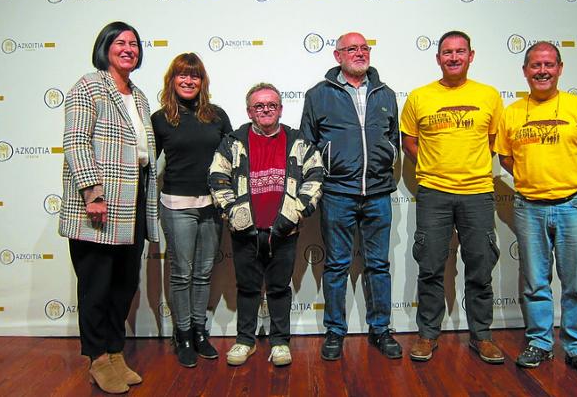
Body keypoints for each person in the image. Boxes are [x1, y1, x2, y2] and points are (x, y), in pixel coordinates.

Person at [495, 42, 577, 380]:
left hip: (574, 205)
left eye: (548, 64)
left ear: (560, 68)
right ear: (525, 71)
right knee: (535, 283)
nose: (541, 71)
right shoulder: (512, 113)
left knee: (576, 283)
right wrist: (535, 181)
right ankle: (540, 342)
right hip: (530, 207)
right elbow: (505, 158)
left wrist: (571, 181)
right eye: (534, 65)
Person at [59, 21, 159, 394]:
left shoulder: (140, 95)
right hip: (98, 205)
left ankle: (115, 352)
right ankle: (97, 358)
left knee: (124, 284)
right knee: (96, 286)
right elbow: (76, 142)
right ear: (105, 47)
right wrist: (92, 193)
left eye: (134, 43)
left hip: (133, 203)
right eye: (120, 43)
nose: (129, 49)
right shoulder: (89, 86)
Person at [400, 30, 504, 364]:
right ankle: (428, 334)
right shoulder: (419, 97)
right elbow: (410, 142)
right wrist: (436, 167)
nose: (454, 57)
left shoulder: (489, 96)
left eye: (460, 52)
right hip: (433, 194)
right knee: (430, 267)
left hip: (478, 193)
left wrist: (466, 166)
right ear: (438, 58)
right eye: (447, 52)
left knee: (480, 267)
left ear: (471, 56)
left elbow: (492, 141)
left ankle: (482, 336)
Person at [300, 32, 402, 361]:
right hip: (337, 194)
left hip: (378, 193)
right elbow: (308, 144)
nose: (359, 53)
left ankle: (381, 329)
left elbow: (393, 138)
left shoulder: (385, 93)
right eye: (351, 49)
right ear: (337, 55)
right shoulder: (318, 95)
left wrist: (386, 157)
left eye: (364, 48)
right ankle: (334, 330)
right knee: (336, 266)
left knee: (378, 266)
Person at [209, 83, 323, 367]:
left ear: (281, 109)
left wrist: (294, 214)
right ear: (249, 111)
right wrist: (235, 214)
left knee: (279, 288)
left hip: (284, 228)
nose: (266, 110)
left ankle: (280, 342)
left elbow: (315, 176)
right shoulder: (233, 142)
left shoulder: (298, 141)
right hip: (245, 230)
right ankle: (244, 341)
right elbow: (217, 177)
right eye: (259, 106)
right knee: (247, 288)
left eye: (271, 105)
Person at [152, 53, 232, 367]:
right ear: (172, 80)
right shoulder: (160, 119)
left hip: (212, 205)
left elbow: (233, 159)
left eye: (195, 76)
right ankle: (182, 334)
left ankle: (200, 332)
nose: (188, 81)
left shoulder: (217, 115)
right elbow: (146, 165)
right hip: (176, 206)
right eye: (182, 76)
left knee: (202, 273)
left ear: (203, 81)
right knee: (182, 273)